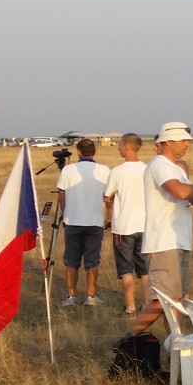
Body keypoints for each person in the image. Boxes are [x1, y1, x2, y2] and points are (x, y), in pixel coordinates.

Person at [127, 122, 193, 336]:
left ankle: (177, 344)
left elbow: (189, 198)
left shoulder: (175, 168)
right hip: (164, 242)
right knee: (164, 300)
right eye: (183, 140)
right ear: (168, 141)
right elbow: (180, 192)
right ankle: (128, 339)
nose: (187, 144)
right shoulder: (159, 165)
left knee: (175, 300)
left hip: (178, 241)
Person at [56, 138, 112, 307]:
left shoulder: (67, 170)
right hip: (94, 222)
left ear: (79, 152)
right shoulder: (104, 170)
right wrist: (109, 216)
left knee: (71, 260)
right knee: (92, 261)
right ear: (94, 152)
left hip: (72, 221)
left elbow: (61, 194)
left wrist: (65, 212)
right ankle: (90, 295)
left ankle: (71, 296)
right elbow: (108, 197)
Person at [103, 133, 149, 315]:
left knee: (125, 267)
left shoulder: (117, 172)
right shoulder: (147, 169)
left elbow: (107, 196)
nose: (118, 148)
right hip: (144, 225)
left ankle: (130, 306)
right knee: (144, 268)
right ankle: (147, 304)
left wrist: (109, 207)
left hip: (123, 226)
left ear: (127, 148)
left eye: (120, 146)